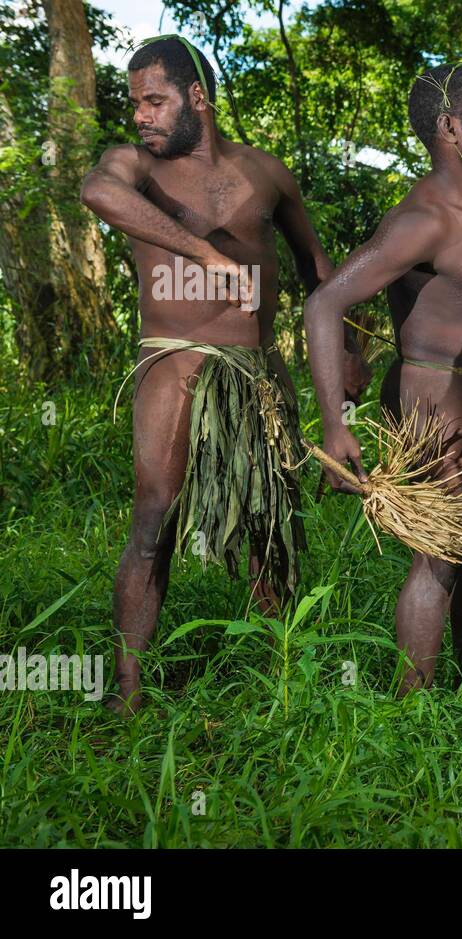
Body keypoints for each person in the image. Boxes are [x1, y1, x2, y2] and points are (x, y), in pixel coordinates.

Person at [80, 36, 355, 715]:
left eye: (155, 101)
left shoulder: (267, 172)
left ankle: (282, 680)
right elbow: (97, 192)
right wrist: (202, 251)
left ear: (197, 98)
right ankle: (127, 691)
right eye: (134, 102)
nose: (140, 115)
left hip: (257, 373)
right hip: (174, 361)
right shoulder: (134, 166)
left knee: (269, 524)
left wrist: (348, 349)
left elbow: (318, 268)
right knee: (154, 521)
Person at [305, 63, 462, 691]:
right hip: (434, 394)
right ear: (450, 128)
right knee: (441, 555)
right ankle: (409, 708)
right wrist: (335, 425)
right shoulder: (421, 220)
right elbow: (325, 303)